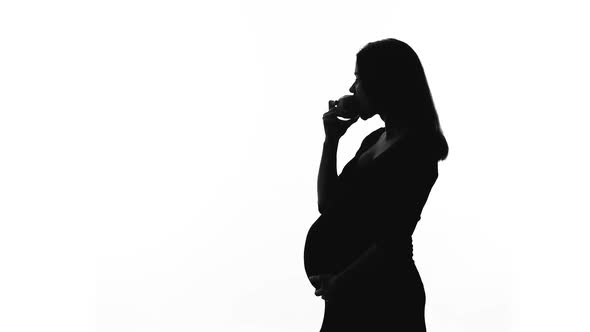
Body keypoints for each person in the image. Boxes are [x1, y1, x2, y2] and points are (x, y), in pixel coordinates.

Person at [303, 38, 449, 331]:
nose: (351, 89)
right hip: (346, 292)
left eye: (358, 78)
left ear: (382, 83)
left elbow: (393, 238)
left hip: (384, 296)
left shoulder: (417, 151)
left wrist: (339, 283)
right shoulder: (373, 140)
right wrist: (331, 141)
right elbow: (327, 204)